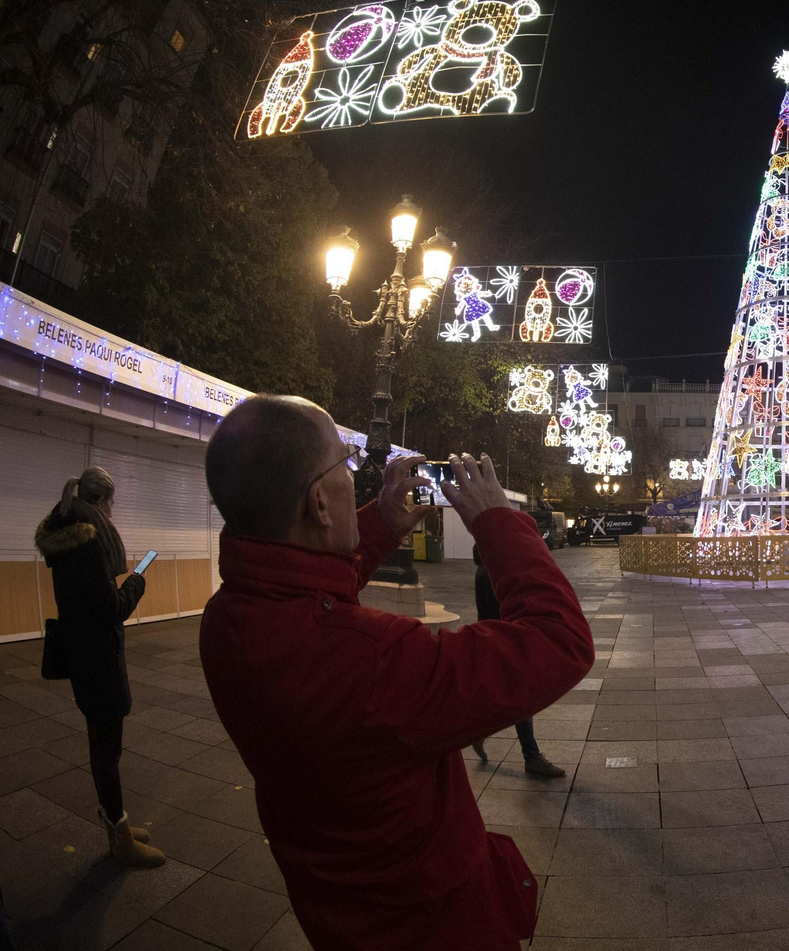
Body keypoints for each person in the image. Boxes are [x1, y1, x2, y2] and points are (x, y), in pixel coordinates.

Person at [199, 395, 594, 951]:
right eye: (345, 464)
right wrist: (497, 522)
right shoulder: (377, 659)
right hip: (435, 924)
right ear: (319, 502)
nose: (354, 476)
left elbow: (301, 587)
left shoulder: (226, 619)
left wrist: (378, 524)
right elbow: (559, 641)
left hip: (335, 909)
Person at [34, 466, 165, 868]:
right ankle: (119, 837)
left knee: (101, 744)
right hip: (98, 658)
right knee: (107, 751)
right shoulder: (89, 542)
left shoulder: (66, 535)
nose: (112, 512)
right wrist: (137, 580)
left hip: (81, 654)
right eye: (112, 503)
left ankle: (116, 823)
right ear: (102, 501)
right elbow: (112, 608)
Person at [469, 546, 564, 778]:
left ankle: (478, 732)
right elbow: (504, 610)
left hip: (494, 639)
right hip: (502, 641)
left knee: (510, 695)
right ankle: (531, 757)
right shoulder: (491, 574)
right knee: (522, 697)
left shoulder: (485, 569)